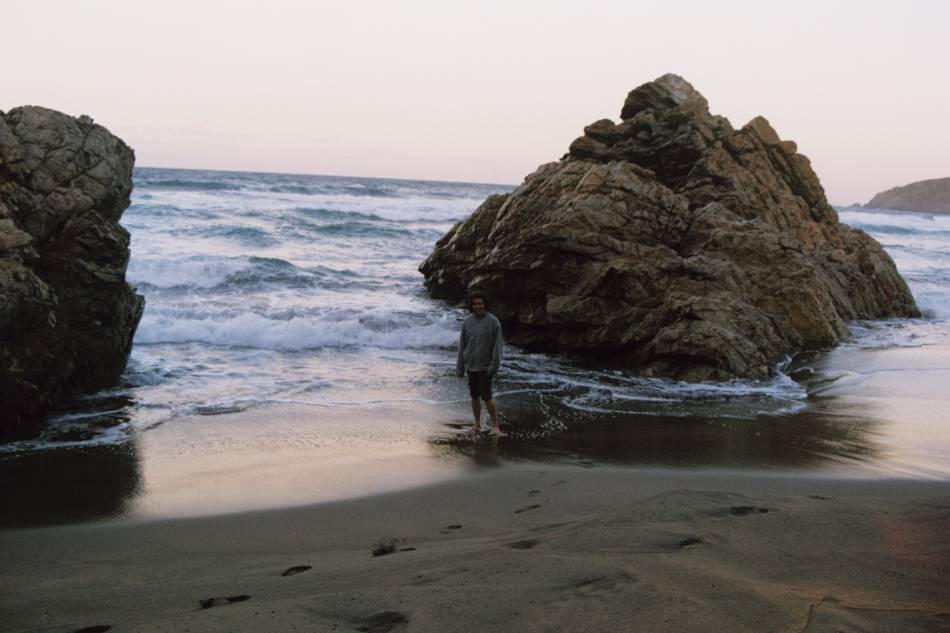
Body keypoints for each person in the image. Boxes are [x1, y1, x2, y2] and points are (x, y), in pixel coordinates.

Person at [456, 291, 503, 435]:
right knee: (474, 396)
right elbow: (462, 345)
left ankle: (495, 426)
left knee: (487, 397)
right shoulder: (467, 322)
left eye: (480, 303)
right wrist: (460, 368)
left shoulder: (493, 322)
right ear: (471, 305)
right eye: (475, 304)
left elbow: (497, 347)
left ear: (485, 305)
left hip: (485, 366)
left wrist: (493, 367)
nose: (477, 306)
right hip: (471, 365)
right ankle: (477, 424)